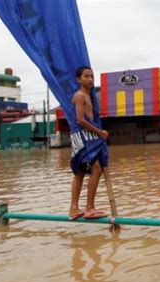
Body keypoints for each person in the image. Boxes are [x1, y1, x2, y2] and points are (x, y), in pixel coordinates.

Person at [69, 66, 109, 220]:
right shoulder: (79, 96)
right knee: (96, 168)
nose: (90, 79)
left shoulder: (90, 97)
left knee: (80, 172)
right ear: (79, 79)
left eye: (92, 76)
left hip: (86, 136)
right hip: (83, 136)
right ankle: (88, 208)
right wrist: (100, 132)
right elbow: (80, 120)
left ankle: (75, 209)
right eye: (87, 76)